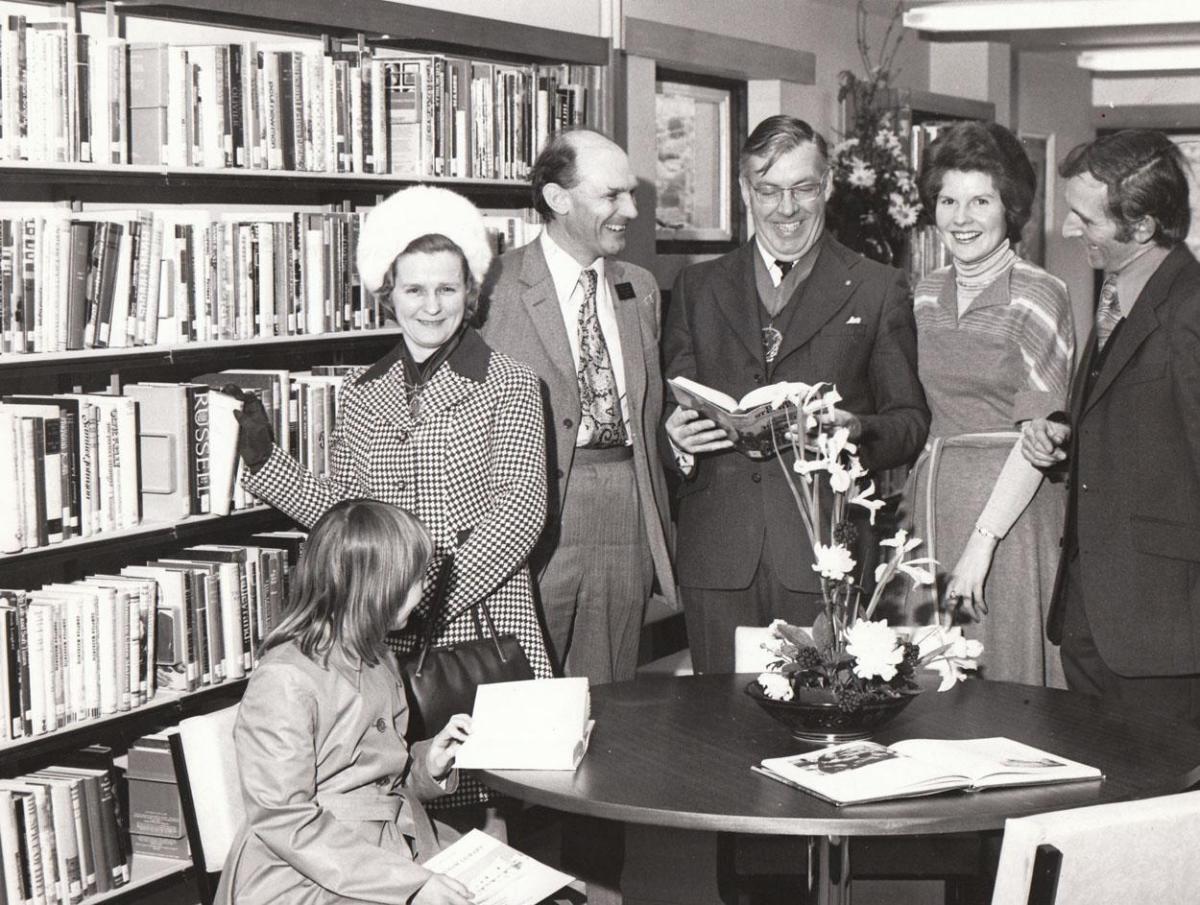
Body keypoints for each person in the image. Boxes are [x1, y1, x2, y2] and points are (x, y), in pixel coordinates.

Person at [233, 184, 553, 817]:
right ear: (388, 295)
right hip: (388, 641)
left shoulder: (512, 383)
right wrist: (267, 466)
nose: (431, 306)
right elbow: (354, 520)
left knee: (492, 813)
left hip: (486, 627)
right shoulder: (360, 393)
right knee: (406, 804)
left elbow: (519, 513)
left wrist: (410, 592)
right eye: (414, 289)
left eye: (447, 289)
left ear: (472, 294)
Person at [663, 115, 929, 673]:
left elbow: (909, 421)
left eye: (803, 188)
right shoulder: (696, 287)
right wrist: (679, 441)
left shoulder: (878, 288)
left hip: (824, 556)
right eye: (768, 190)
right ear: (744, 192)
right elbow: (672, 406)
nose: (787, 209)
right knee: (715, 728)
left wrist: (854, 428)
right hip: (717, 558)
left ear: (828, 185)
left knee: (821, 729)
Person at [479, 129, 676, 685]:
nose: (630, 210)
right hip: (528, 518)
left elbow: (649, 410)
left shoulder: (639, 288)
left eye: (631, 194)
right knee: (519, 700)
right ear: (558, 199)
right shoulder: (491, 288)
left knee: (610, 694)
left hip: (624, 511)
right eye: (612, 196)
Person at [1022, 129, 1200, 727]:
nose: (1071, 230)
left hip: (1164, 633)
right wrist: (1063, 437)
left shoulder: (1190, 312)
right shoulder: (1117, 295)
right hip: (1094, 616)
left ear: (1144, 225)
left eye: (1085, 218)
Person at [215, 499, 474, 905]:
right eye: (415, 580)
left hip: (372, 852)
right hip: (304, 875)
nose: (422, 593)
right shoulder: (286, 678)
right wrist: (409, 884)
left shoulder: (378, 656)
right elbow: (285, 821)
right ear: (377, 588)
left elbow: (382, 779)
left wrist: (429, 765)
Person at [897, 121, 1074, 687]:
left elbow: (1040, 439)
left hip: (1010, 517)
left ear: (1010, 208)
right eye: (948, 200)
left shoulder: (1040, 293)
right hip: (932, 501)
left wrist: (982, 543)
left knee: (1006, 677)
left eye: (980, 200)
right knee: (928, 677)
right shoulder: (924, 293)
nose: (961, 218)